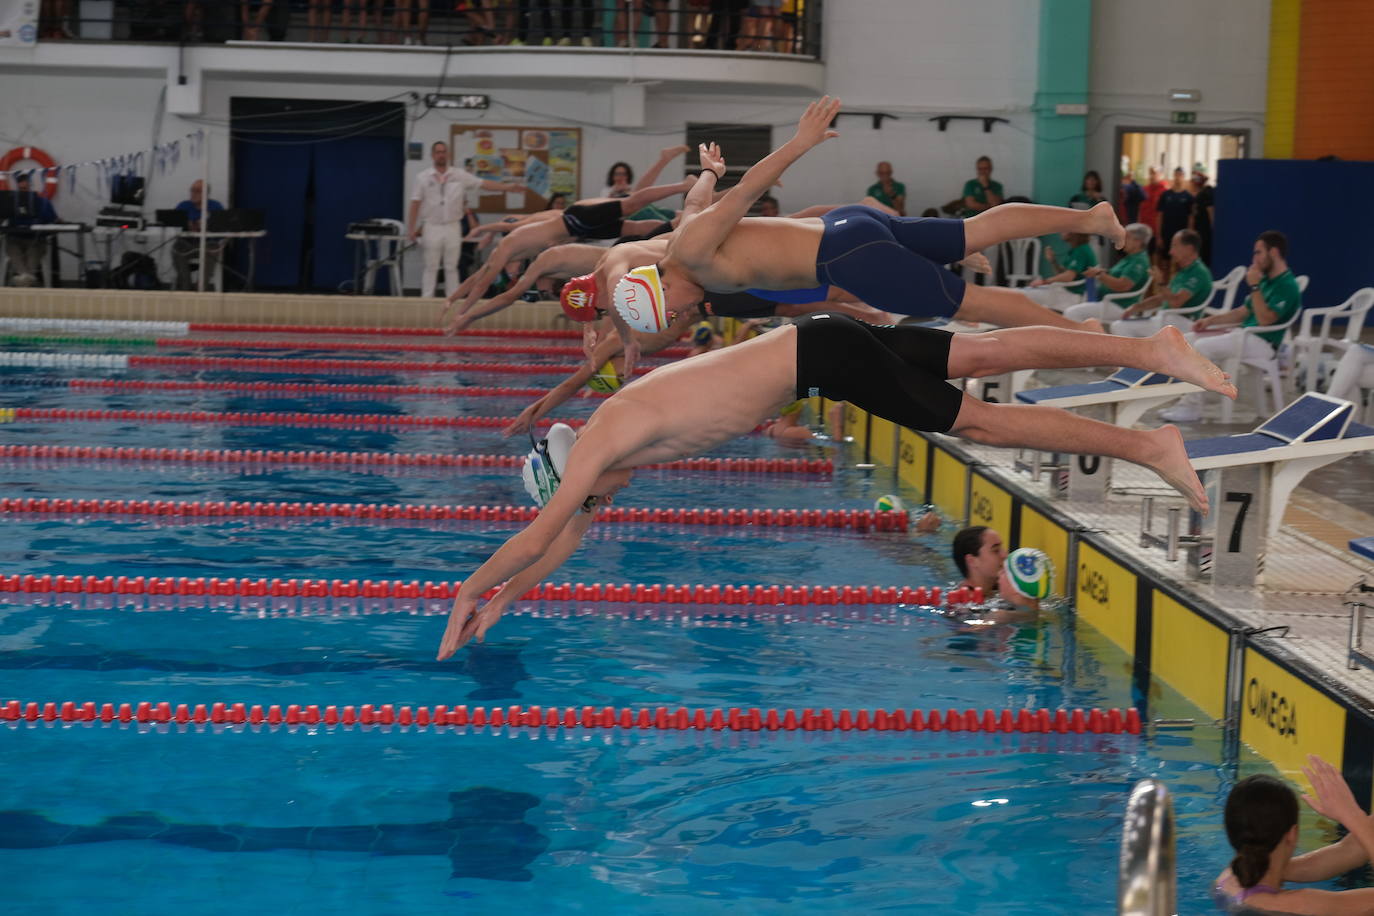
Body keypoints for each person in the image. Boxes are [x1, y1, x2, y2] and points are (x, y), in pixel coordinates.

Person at [435, 310, 1235, 655]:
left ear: (566, 477)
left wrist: (467, 591)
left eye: (584, 501)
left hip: (826, 359)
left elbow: (543, 534)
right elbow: (559, 543)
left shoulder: (604, 440)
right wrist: (506, 601)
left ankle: (1146, 445)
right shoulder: (612, 451)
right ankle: (1151, 351)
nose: (592, 510)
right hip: (821, 344)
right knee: (979, 356)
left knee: (982, 420)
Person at [595, 99, 1119, 371]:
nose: (685, 313)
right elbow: (697, 200)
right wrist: (708, 169)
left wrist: (801, 143)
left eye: (676, 309)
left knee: (975, 303)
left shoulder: (690, 254)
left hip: (849, 258)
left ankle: (1086, 338)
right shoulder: (685, 248)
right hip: (850, 226)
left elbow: (745, 195)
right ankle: (1090, 218)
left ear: (661, 289)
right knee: (973, 232)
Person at [444, 177, 694, 317]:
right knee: (638, 230)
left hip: (575, 219)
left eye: (509, 271)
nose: (512, 271)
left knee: (630, 204)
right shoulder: (509, 253)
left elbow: (481, 283)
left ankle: (683, 185)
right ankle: (687, 217)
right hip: (578, 230)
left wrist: (463, 313)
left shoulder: (506, 248)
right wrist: (451, 299)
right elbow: (477, 279)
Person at [1161, 230, 1301, 422]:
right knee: (1188, 340)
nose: (1255, 258)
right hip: (1246, 336)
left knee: (1202, 348)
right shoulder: (1267, 281)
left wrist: (1254, 286)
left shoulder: (1287, 284)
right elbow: (1243, 311)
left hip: (1263, 343)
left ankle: (1192, 407)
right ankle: (1191, 399)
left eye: (1258, 252)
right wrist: (1210, 321)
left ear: (1274, 253)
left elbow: (1265, 320)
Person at [1213, 755, 1374, 914]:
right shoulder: (1303, 905)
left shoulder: (1228, 879)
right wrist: (1352, 817)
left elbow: (1346, 851)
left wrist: (1356, 820)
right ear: (1292, 834)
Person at [407, 141, 523, 299]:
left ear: (448, 154)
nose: (441, 155)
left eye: (443, 152)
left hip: (453, 226)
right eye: (438, 152)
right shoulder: (422, 177)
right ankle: (426, 300)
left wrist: (507, 187)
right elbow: (415, 203)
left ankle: (452, 300)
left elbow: (483, 184)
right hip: (431, 226)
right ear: (433, 155)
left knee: (451, 267)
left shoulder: (458, 175)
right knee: (430, 266)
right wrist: (411, 228)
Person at [1110, 229, 1212, 337]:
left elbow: (1175, 303)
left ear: (1189, 249)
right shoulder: (1185, 270)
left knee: (1120, 326)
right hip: (1168, 318)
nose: (1170, 252)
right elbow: (1162, 298)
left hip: (1182, 323)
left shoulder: (1198, 272)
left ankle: (1139, 353)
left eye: (1174, 246)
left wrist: (1161, 283)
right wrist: (1136, 307)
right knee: (1120, 325)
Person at [1058, 223, 1153, 323]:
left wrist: (1099, 275)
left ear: (1138, 242)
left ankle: (1079, 338)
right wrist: (1100, 272)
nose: (1122, 240)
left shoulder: (1138, 261)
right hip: (1106, 301)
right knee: (1074, 309)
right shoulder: (1131, 257)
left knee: (1072, 313)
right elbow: (1115, 274)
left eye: (1127, 237)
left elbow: (1123, 285)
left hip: (1119, 305)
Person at [952, 525, 1038, 611]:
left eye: (1002, 548)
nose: (1005, 555)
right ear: (972, 561)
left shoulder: (1001, 589)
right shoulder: (963, 605)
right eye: (996, 550)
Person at [4, 174, 59, 288]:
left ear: (31, 187)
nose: (23, 192)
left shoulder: (43, 203)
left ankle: (24, 278)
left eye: (25, 189)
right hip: (15, 238)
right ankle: (27, 277)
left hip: (35, 239)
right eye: (21, 189)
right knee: (12, 248)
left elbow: (53, 220)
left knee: (34, 249)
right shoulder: (10, 203)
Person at [171, 180, 226, 291]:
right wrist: (186, 225)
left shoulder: (216, 206)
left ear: (206, 193)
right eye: (192, 190)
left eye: (197, 191)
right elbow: (172, 222)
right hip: (188, 243)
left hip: (208, 244)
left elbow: (223, 228)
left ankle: (200, 288)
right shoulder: (183, 205)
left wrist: (207, 225)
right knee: (176, 248)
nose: (193, 193)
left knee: (213, 248)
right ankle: (185, 286)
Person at [1030, 231, 1097, 297]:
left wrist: (1044, 282)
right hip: (1068, 291)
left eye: (1065, 230)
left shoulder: (1081, 250)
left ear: (1075, 233)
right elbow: (1062, 274)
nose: (1061, 232)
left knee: (1027, 295)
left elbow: (1068, 277)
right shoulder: (1077, 250)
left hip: (1075, 294)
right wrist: (1053, 261)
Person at [1156, 167, 1195, 266]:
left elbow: (1191, 218)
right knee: (1165, 261)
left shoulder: (1188, 197)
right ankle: (1164, 281)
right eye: (1176, 175)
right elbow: (1160, 216)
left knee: (1180, 261)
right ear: (1173, 176)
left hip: (1181, 234)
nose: (1178, 177)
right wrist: (1159, 235)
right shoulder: (1165, 195)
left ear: (1184, 177)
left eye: (1180, 175)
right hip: (1166, 233)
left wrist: (1189, 234)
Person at [1191, 165, 1215, 266]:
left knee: (1204, 258)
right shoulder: (1200, 194)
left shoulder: (1206, 193)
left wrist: (1213, 229)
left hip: (1205, 232)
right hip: (1200, 231)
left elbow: (1210, 211)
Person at [1138, 165, 1168, 245]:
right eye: (1150, 173)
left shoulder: (1165, 191)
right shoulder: (1144, 190)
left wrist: (1159, 234)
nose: (1152, 176)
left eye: (1154, 173)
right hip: (1144, 229)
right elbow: (1140, 210)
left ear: (1161, 175)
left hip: (1157, 230)